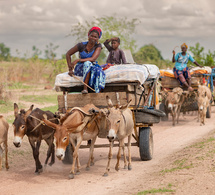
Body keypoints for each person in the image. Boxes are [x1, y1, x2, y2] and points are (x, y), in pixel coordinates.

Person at [66, 26, 105, 94]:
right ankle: (85, 88)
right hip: (80, 68)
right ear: (88, 36)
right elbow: (68, 54)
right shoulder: (81, 45)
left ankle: (96, 90)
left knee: (97, 70)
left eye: (95, 37)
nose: (93, 38)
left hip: (91, 67)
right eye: (91, 36)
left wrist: (78, 60)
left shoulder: (98, 46)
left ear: (98, 38)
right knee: (87, 63)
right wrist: (70, 70)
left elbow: (93, 59)